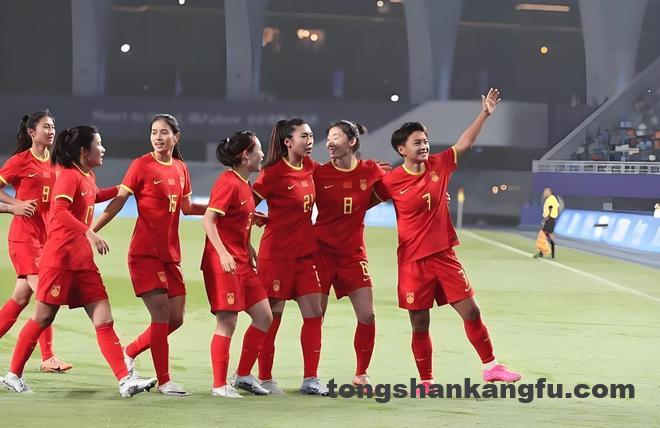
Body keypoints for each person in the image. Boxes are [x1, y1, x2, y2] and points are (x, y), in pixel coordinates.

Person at [373, 89, 521, 392]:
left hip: (444, 256)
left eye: (425, 141)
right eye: (417, 142)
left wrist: (485, 114)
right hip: (412, 262)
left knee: (472, 312)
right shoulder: (390, 181)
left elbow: (464, 143)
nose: (424, 146)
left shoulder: (439, 165)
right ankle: (426, 382)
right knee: (420, 324)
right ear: (402, 149)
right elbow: (362, 201)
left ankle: (491, 367)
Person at [1, 125, 156, 396]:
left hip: (83, 263)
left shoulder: (87, 175)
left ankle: (124, 380)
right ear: (84, 151)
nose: (103, 149)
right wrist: (89, 232)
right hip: (59, 261)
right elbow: (59, 212)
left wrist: (123, 188)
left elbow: (92, 196)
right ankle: (13, 375)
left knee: (104, 319)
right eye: (99, 144)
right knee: (42, 317)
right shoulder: (68, 176)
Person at [93, 114, 206, 396]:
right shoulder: (141, 165)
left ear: (176, 137)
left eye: (164, 132)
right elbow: (118, 202)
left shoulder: (181, 168)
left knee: (176, 318)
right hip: (145, 254)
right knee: (161, 316)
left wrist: (222, 209)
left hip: (170, 256)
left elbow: (188, 208)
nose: (158, 137)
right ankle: (165, 381)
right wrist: (90, 230)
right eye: (154, 132)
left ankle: (129, 352)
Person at [252, 119, 329, 396]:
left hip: (305, 255)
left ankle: (311, 379)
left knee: (314, 314)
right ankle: (265, 378)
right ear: (288, 141)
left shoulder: (311, 167)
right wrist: (252, 221)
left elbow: (338, 178)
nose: (310, 141)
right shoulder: (272, 173)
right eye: (303, 136)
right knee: (272, 318)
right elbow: (243, 204)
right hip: (276, 256)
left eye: (311, 136)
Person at [201, 131, 273, 398]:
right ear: (246, 155)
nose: (262, 154)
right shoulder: (228, 182)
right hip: (223, 263)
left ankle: (242, 375)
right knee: (227, 321)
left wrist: (249, 245)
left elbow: (233, 220)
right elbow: (208, 220)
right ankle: (219, 385)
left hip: (241, 261)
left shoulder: (244, 183)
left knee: (264, 317)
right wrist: (223, 253)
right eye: (259, 149)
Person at [313, 120, 385, 386]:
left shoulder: (371, 170)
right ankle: (311, 376)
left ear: (352, 141)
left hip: (353, 255)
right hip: (321, 253)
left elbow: (397, 190)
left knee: (367, 315)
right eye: (328, 138)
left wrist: (439, 198)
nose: (329, 143)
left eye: (336, 137)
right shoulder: (318, 173)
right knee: (316, 317)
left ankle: (361, 374)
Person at [0, 110, 73, 373]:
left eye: (53, 126)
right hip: (24, 239)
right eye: (46, 127)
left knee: (20, 298)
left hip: (47, 241)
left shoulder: (57, 163)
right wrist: (14, 205)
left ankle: (47, 358)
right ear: (32, 132)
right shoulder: (20, 161)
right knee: (46, 296)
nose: (51, 131)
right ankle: (48, 357)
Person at [534, 188, 559, 259]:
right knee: (548, 236)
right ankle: (550, 254)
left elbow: (550, 208)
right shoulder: (551, 198)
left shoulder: (551, 199)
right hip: (551, 219)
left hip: (549, 220)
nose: (544, 193)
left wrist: (546, 219)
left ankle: (544, 251)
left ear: (549, 192)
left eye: (545, 191)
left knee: (542, 235)